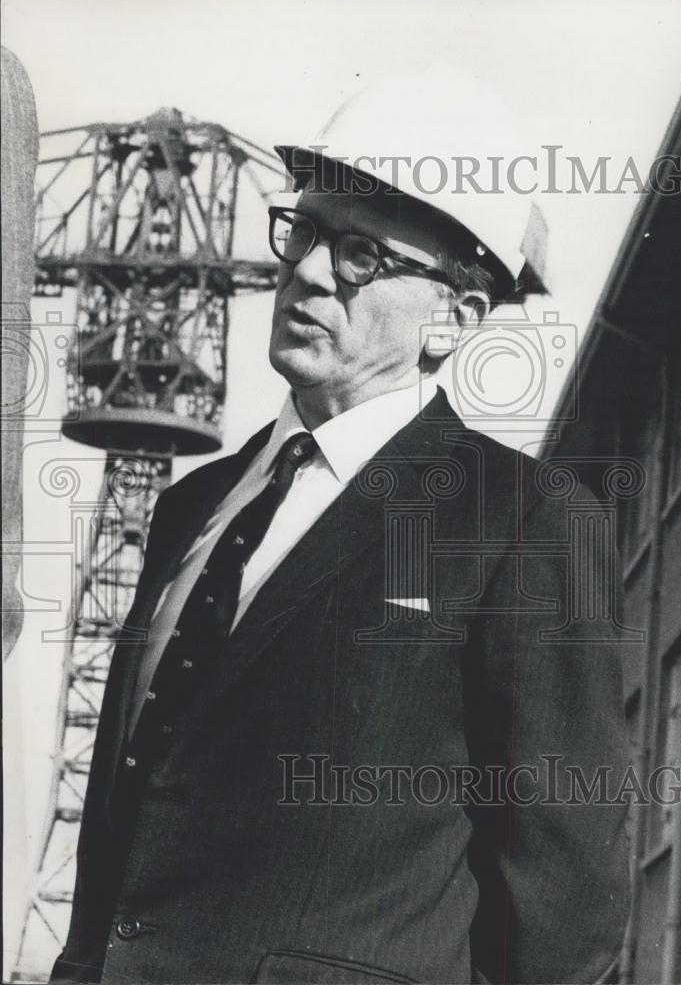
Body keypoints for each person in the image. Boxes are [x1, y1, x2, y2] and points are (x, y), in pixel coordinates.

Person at [51, 65, 630, 985]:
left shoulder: (523, 523)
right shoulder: (191, 511)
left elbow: (567, 905)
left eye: (362, 255)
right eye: (308, 231)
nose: (312, 271)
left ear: (455, 316)